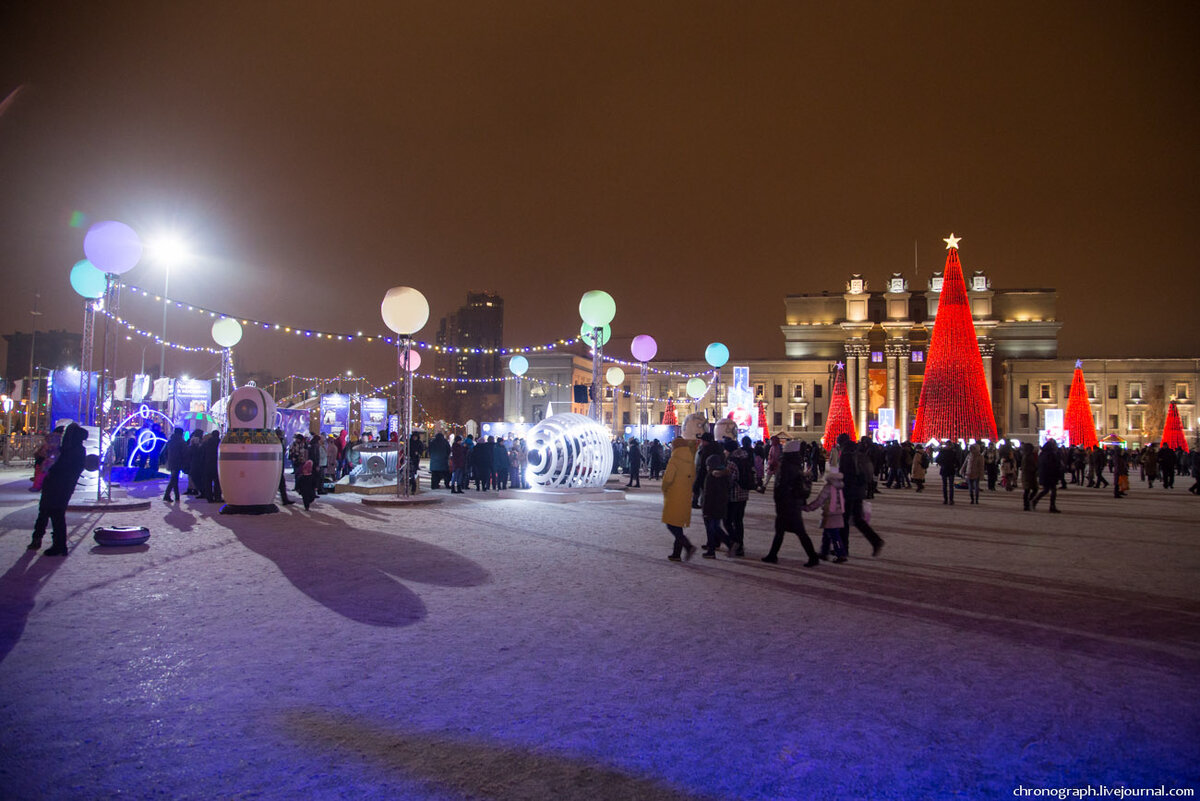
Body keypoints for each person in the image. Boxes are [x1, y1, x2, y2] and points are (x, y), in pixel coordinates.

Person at [29, 423, 87, 556]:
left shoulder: (71, 451)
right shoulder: (75, 449)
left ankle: (58, 545)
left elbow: (60, 467)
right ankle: (56, 544)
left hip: (58, 486)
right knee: (52, 513)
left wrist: (47, 465)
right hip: (61, 487)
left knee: (53, 514)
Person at [762, 440, 819, 566]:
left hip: (787, 505)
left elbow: (781, 486)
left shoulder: (786, 466)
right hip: (793, 503)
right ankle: (773, 554)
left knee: (798, 532)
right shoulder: (796, 464)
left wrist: (778, 500)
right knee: (781, 531)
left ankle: (813, 556)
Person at [838, 434, 885, 556]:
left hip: (848, 491)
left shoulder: (846, 455)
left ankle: (843, 549)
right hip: (859, 490)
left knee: (843, 520)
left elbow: (845, 474)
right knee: (858, 519)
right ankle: (875, 540)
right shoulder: (858, 452)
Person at [660, 435, 698, 561]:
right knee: (678, 524)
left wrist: (664, 488)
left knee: (671, 525)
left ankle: (688, 546)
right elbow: (693, 477)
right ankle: (676, 553)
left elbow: (668, 479)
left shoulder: (675, 459)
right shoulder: (690, 459)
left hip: (674, 495)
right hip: (685, 495)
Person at [804, 465, 846, 562]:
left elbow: (819, 501)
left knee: (834, 535)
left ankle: (841, 554)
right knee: (827, 533)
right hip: (838, 513)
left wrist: (808, 508)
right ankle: (824, 552)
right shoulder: (840, 486)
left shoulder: (828, 487)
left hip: (830, 514)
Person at [700, 449, 733, 559]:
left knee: (712, 529)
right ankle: (729, 544)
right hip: (721, 505)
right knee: (716, 527)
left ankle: (712, 550)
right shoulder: (725, 475)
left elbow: (708, 494)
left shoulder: (711, 477)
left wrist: (705, 509)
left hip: (711, 507)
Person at [1031, 439, 1062, 512]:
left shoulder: (1043, 453)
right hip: (1050, 475)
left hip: (1045, 475)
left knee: (1047, 490)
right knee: (1052, 491)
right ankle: (1051, 506)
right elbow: (1053, 465)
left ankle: (1035, 501)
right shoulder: (1051, 454)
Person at [162, 427, 188, 503]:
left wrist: (167, 459)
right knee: (173, 479)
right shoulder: (181, 442)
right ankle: (167, 495)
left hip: (171, 462)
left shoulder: (170, 441)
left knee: (175, 479)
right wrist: (185, 462)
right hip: (178, 462)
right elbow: (185, 453)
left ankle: (177, 496)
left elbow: (165, 453)